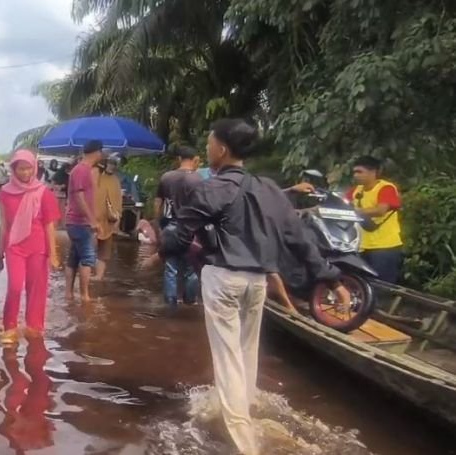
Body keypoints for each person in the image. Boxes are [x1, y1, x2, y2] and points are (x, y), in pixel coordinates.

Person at [157, 119, 340, 455]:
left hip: (223, 280)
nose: (207, 148)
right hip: (257, 283)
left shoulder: (212, 188)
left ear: (222, 149)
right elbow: (299, 240)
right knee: (246, 354)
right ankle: (242, 411)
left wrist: (163, 243)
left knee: (227, 361)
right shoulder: (269, 190)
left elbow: (178, 236)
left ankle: (243, 444)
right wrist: (330, 278)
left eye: (210, 142)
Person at [0, 149, 61, 344]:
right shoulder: (5, 193)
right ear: (13, 170)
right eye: (20, 169)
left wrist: (54, 253)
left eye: (28, 168)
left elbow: (49, 225)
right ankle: (10, 326)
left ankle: (34, 326)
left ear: (34, 168)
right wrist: (0, 250)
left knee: (36, 289)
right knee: (15, 287)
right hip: (14, 246)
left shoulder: (44, 193)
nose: (25, 173)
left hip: (38, 247)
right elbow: (3, 224)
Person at [154, 146, 204, 307]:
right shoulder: (199, 180)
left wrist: (157, 223)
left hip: (170, 226)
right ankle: (190, 303)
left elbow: (158, 202)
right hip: (192, 229)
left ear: (178, 159)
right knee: (191, 269)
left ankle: (170, 304)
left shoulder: (166, 177)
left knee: (171, 268)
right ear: (194, 160)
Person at [346, 156, 404, 284]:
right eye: (354, 172)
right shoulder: (356, 191)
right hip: (362, 246)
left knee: (382, 285)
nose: (356, 175)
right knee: (363, 285)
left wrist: (354, 211)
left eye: (360, 172)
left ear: (373, 172)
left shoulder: (386, 188)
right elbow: (339, 205)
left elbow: (381, 210)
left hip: (385, 246)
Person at [65, 140, 104, 300]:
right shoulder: (82, 170)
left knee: (73, 258)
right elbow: (80, 196)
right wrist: (92, 220)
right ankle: (84, 296)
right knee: (87, 259)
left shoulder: (80, 169)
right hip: (80, 222)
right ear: (97, 152)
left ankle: (69, 294)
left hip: (74, 221)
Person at [93, 153, 123, 280]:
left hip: (109, 221)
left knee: (104, 252)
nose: (111, 166)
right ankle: (87, 273)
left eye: (114, 164)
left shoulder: (116, 181)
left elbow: (118, 201)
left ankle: (99, 276)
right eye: (110, 163)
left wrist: (118, 218)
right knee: (89, 249)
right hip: (94, 220)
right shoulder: (97, 177)